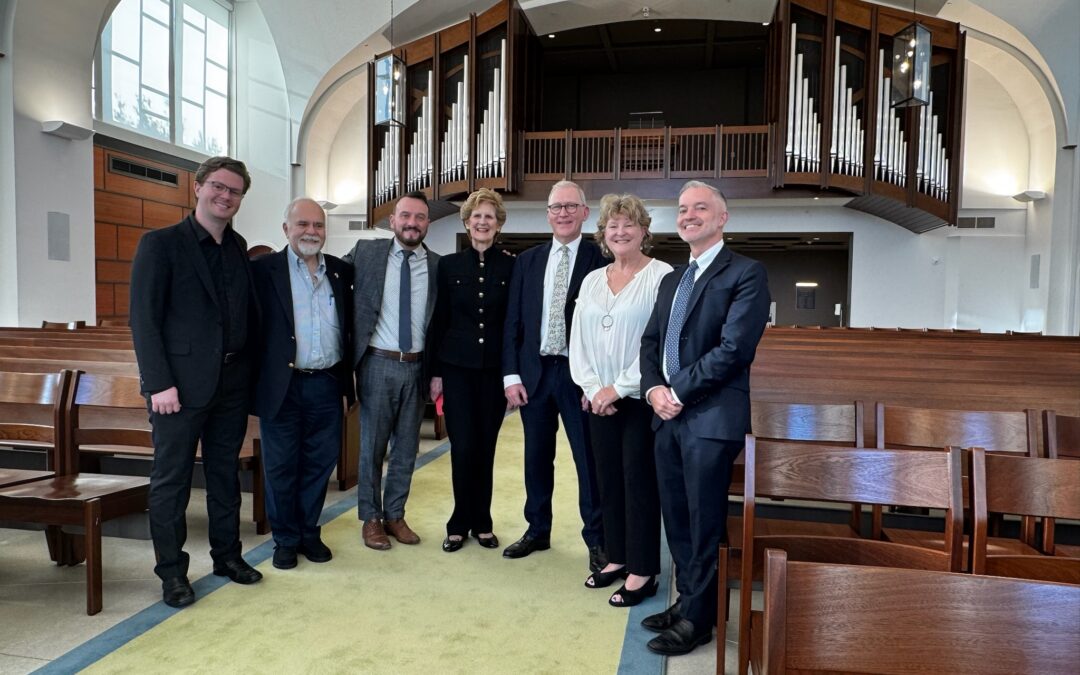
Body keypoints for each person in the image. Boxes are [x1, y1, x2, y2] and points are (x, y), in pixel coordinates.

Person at [638, 180, 771, 655]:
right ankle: (691, 601)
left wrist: (676, 390)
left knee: (705, 521)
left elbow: (734, 350)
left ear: (721, 218)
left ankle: (700, 620)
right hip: (666, 417)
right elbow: (651, 342)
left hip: (711, 419)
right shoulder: (673, 278)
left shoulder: (746, 273)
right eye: (682, 209)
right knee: (675, 519)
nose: (688, 215)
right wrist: (653, 389)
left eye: (700, 208)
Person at [129, 156, 263, 608]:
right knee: (172, 481)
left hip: (230, 384)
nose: (226, 197)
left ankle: (227, 556)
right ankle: (172, 573)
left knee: (225, 476)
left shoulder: (238, 246)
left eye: (235, 192)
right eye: (218, 187)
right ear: (198, 187)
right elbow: (144, 322)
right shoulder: (160, 244)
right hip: (178, 389)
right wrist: (158, 383)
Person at [570, 193, 671, 607]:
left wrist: (619, 387)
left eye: (628, 224)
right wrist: (593, 388)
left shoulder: (662, 275)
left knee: (639, 484)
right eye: (612, 225)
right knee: (606, 481)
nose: (620, 231)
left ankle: (643, 570)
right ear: (603, 234)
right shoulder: (593, 279)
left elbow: (661, 343)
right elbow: (579, 341)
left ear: (643, 231)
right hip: (597, 401)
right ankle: (616, 557)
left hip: (639, 399)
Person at [502, 180, 606, 572]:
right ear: (547, 214)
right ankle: (537, 529)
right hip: (535, 374)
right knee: (536, 458)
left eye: (570, 206)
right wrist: (511, 375)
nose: (562, 213)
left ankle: (597, 540)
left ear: (584, 212)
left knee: (588, 462)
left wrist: (594, 381)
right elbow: (514, 321)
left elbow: (603, 329)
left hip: (579, 378)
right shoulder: (528, 261)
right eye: (555, 207)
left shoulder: (601, 259)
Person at [250, 198, 353, 570]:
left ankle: (309, 531)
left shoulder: (341, 272)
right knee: (280, 466)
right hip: (282, 385)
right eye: (303, 224)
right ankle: (285, 539)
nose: (312, 232)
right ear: (286, 229)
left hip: (326, 382)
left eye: (319, 225)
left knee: (319, 463)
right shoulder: (262, 271)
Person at [342, 191, 439, 550]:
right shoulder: (366, 253)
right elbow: (331, 280)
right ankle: (370, 518)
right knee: (371, 447)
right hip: (377, 363)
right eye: (405, 216)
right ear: (392, 220)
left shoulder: (437, 265)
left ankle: (395, 514)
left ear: (427, 222)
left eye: (419, 217)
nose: (412, 223)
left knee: (406, 448)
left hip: (418, 367)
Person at [427, 188, 515, 553]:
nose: (482, 222)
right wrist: (435, 373)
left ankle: (483, 521)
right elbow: (439, 321)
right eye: (476, 216)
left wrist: (514, 375)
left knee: (486, 448)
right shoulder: (449, 266)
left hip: (493, 372)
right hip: (457, 371)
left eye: (489, 217)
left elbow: (514, 325)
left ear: (498, 225)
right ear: (467, 222)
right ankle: (458, 523)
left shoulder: (513, 266)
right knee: (462, 448)